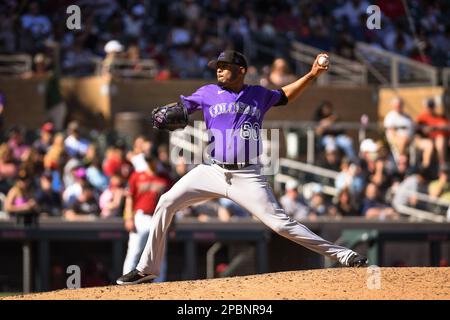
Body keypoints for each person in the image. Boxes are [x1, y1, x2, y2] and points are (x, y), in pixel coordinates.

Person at [116, 50, 368, 285]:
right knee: (167, 201)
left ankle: (344, 255)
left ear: (241, 70)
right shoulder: (207, 92)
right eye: (217, 67)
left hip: (247, 175)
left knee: (281, 225)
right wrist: (171, 112)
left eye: (225, 67)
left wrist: (311, 75)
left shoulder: (258, 94)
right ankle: (147, 269)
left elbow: (284, 95)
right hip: (212, 170)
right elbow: (184, 107)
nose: (219, 71)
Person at [121, 155, 171, 282]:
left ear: (157, 160)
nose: (150, 163)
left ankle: (159, 284)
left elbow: (171, 202)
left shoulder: (165, 178)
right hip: (141, 217)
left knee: (159, 254)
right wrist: (128, 218)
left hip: (159, 217)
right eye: (148, 160)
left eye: (152, 159)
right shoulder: (137, 176)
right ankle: (126, 283)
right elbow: (129, 198)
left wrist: (172, 223)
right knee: (134, 251)